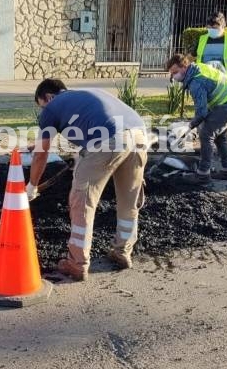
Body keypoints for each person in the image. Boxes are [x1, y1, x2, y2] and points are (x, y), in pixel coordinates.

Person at [26, 79, 148, 282]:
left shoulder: (52, 107)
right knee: (129, 199)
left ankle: (77, 263)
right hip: (139, 136)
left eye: (42, 106)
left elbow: (41, 154)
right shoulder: (86, 95)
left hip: (109, 140)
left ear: (48, 97)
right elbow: (95, 123)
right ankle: (123, 252)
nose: (43, 111)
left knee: (82, 201)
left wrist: (32, 186)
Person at [166, 54, 227, 185]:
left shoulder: (196, 82)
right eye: (171, 74)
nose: (174, 77)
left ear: (185, 67)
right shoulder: (197, 68)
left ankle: (203, 174)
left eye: (175, 72)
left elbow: (202, 112)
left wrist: (189, 126)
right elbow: (217, 67)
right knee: (220, 136)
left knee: (206, 134)